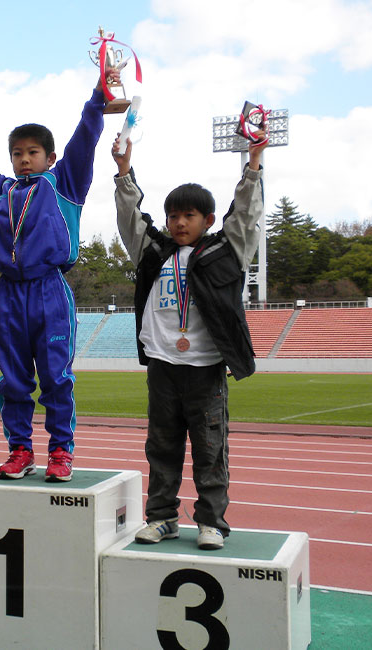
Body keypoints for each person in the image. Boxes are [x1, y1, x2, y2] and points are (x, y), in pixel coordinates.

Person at [0, 67, 117, 482]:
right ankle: (19, 449)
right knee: (13, 379)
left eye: (33, 152)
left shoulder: (64, 182)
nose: (24, 158)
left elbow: (85, 139)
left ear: (49, 158)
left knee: (56, 376)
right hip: (9, 296)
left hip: (50, 290)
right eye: (17, 152)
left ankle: (60, 452)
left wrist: (97, 97)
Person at [112, 129, 268, 550]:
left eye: (189, 216)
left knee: (209, 449)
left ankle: (211, 522)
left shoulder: (226, 251)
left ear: (208, 221)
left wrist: (253, 165)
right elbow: (131, 218)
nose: (180, 223)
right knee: (161, 447)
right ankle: (162, 518)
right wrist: (124, 172)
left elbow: (246, 217)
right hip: (163, 365)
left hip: (205, 366)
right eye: (173, 216)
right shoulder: (154, 252)